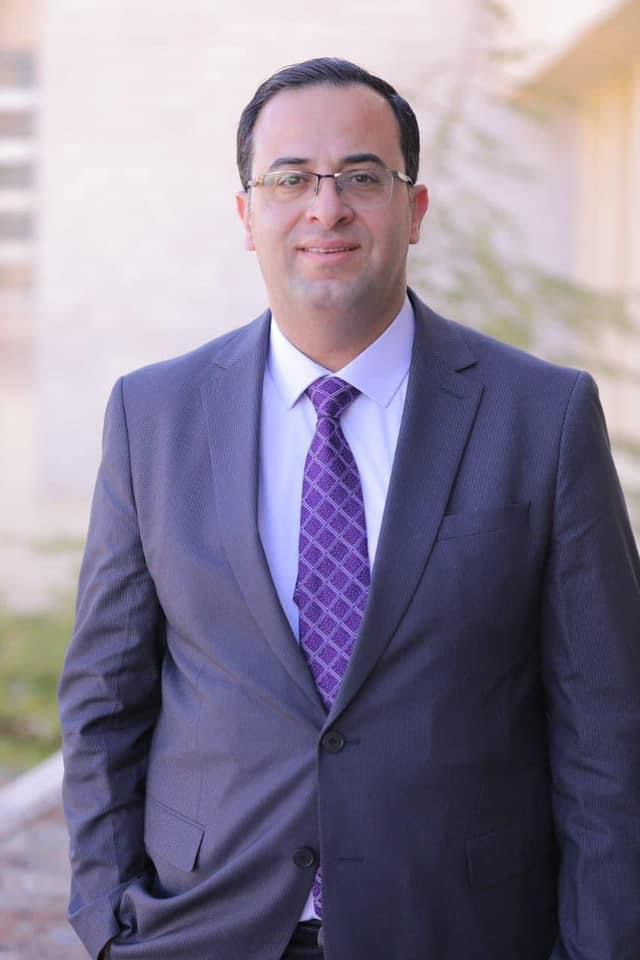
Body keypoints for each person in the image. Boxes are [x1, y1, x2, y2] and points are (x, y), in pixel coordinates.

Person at [59, 57, 640, 960]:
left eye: (362, 177)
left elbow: (606, 722)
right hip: (205, 928)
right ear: (247, 215)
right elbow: (105, 694)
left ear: (415, 210)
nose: (325, 208)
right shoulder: (153, 416)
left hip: (464, 930)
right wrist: (105, 920)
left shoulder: (542, 415)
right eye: (291, 179)